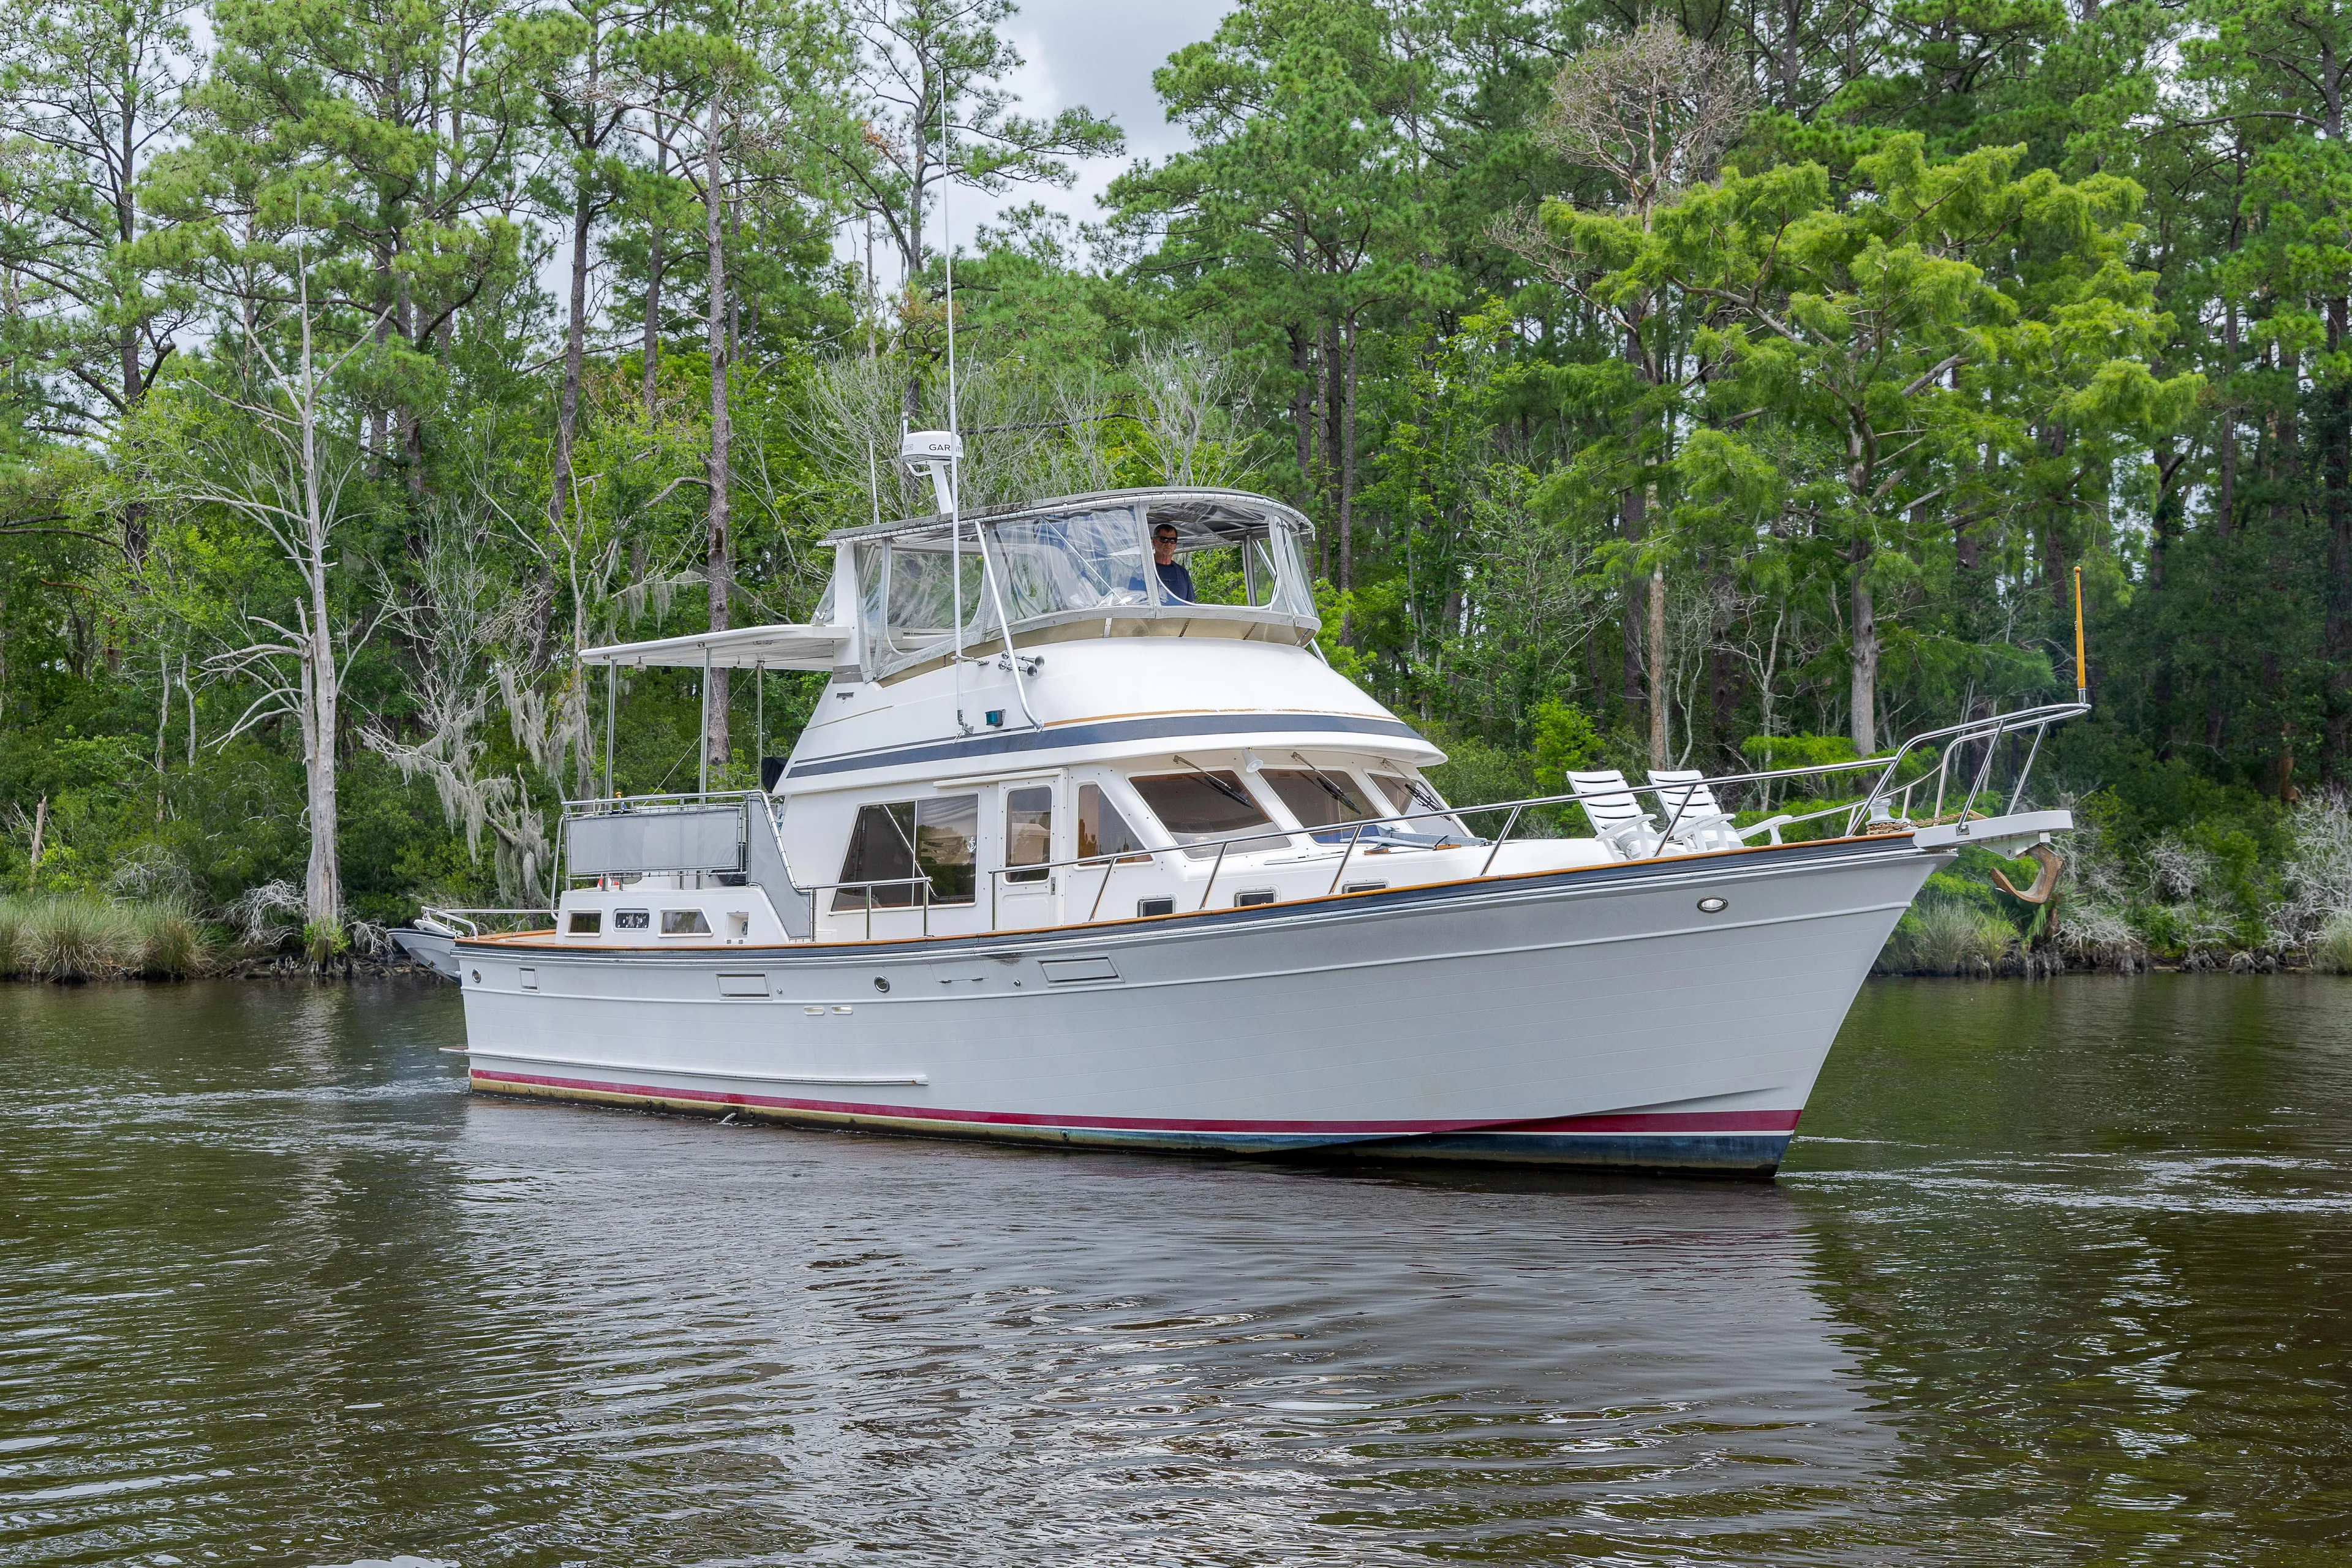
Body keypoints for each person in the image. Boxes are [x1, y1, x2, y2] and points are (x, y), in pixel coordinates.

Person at [1152, 524, 1195, 603]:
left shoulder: (1183, 573)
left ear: (1176, 544)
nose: (1168, 544)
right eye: (1164, 539)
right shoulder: (1142, 570)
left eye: (1173, 540)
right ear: (1154, 542)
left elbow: (1191, 604)